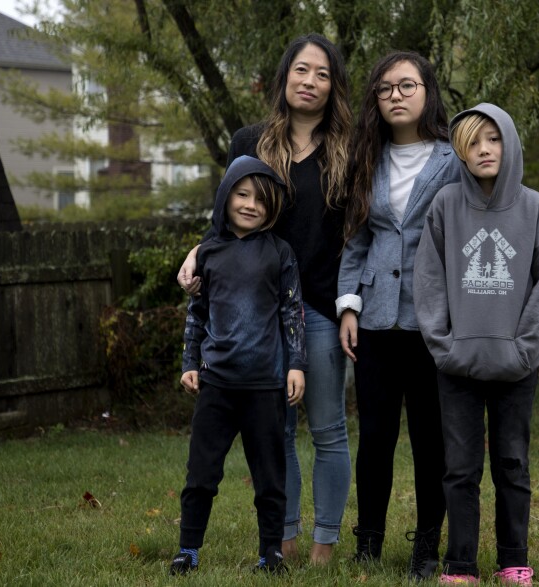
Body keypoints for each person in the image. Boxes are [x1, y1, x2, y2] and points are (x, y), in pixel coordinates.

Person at [177, 33, 353, 564]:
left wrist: (350, 304)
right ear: (285, 77)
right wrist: (196, 251)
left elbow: (359, 233)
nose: (310, 81)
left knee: (326, 429)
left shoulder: (349, 149)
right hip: (256, 312)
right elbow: (225, 217)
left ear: (333, 86)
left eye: (323, 74)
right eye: (302, 70)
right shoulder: (249, 141)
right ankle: (284, 538)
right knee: (276, 435)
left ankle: (325, 544)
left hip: (318, 308)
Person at [413, 103, 539, 585]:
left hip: (516, 366)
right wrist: (443, 346)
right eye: (472, 143)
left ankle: (513, 559)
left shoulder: (536, 209)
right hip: (457, 365)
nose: (484, 150)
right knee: (459, 468)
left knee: (512, 464)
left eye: (493, 139)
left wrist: (525, 350)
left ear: (510, 143)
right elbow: (429, 279)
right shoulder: (446, 206)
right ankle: (460, 564)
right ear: (460, 151)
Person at [336, 51, 459, 581]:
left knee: (432, 439)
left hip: (434, 323)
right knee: (376, 438)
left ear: (427, 91)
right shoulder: (370, 156)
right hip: (376, 322)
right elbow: (357, 238)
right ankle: (368, 542)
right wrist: (348, 305)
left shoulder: (454, 159)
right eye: (385, 89)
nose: (396, 96)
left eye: (406, 85)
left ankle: (427, 547)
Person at [169, 155, 307, 576]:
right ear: (225, 197)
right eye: (241, 195)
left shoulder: (279, 253)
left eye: (260, 200)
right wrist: (190, 360)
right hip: (217, 384)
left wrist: (296, 364)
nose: (250, 205)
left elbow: (292, 311)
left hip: (265, 385)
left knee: (270, 478)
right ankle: (188, 550)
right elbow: (198, 313)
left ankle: (271, 555)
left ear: (272, 208)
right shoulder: (208, 253)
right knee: (201, 475)